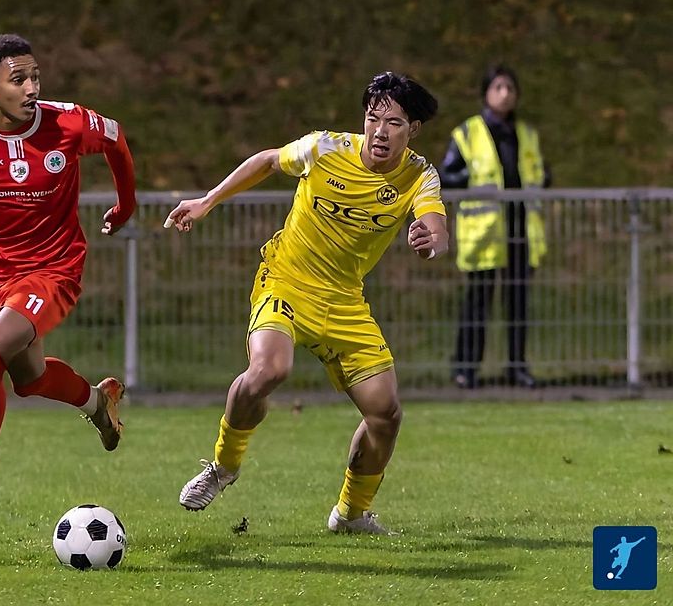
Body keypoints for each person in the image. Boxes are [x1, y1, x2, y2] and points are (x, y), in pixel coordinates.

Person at [164, 72, 448, 534]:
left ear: (412, 129)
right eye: (373, 118)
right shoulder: (326, 147)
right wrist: (208, 201)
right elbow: (268, 161)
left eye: (394, 122)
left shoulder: (419, 175)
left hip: (344, 302)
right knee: (268, 371)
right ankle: (222, 466)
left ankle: (350, 515)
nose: (380, 131)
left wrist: (430, 241)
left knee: (386, 412)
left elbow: (436, 226)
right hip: (287, 281)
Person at [0, 34, 136, 537]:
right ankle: (95, 402)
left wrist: (126, 204)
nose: (32, 86)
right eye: (18, 79)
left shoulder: (69, 123)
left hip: (54, 270)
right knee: (30, 378)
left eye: (35, 75)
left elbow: (117, 140)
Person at [440, 64, 550, 390]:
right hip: (485, 233)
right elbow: (447, 176)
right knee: (477, 303)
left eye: (510, 88)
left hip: (521, 230)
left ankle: (517, 368)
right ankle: (466, 369)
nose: (505, 94)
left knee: (517, 303)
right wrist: (476, 184)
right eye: (499, 87)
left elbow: (542, 173)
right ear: (486, 93)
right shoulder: (468, 133)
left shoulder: (526, 134)